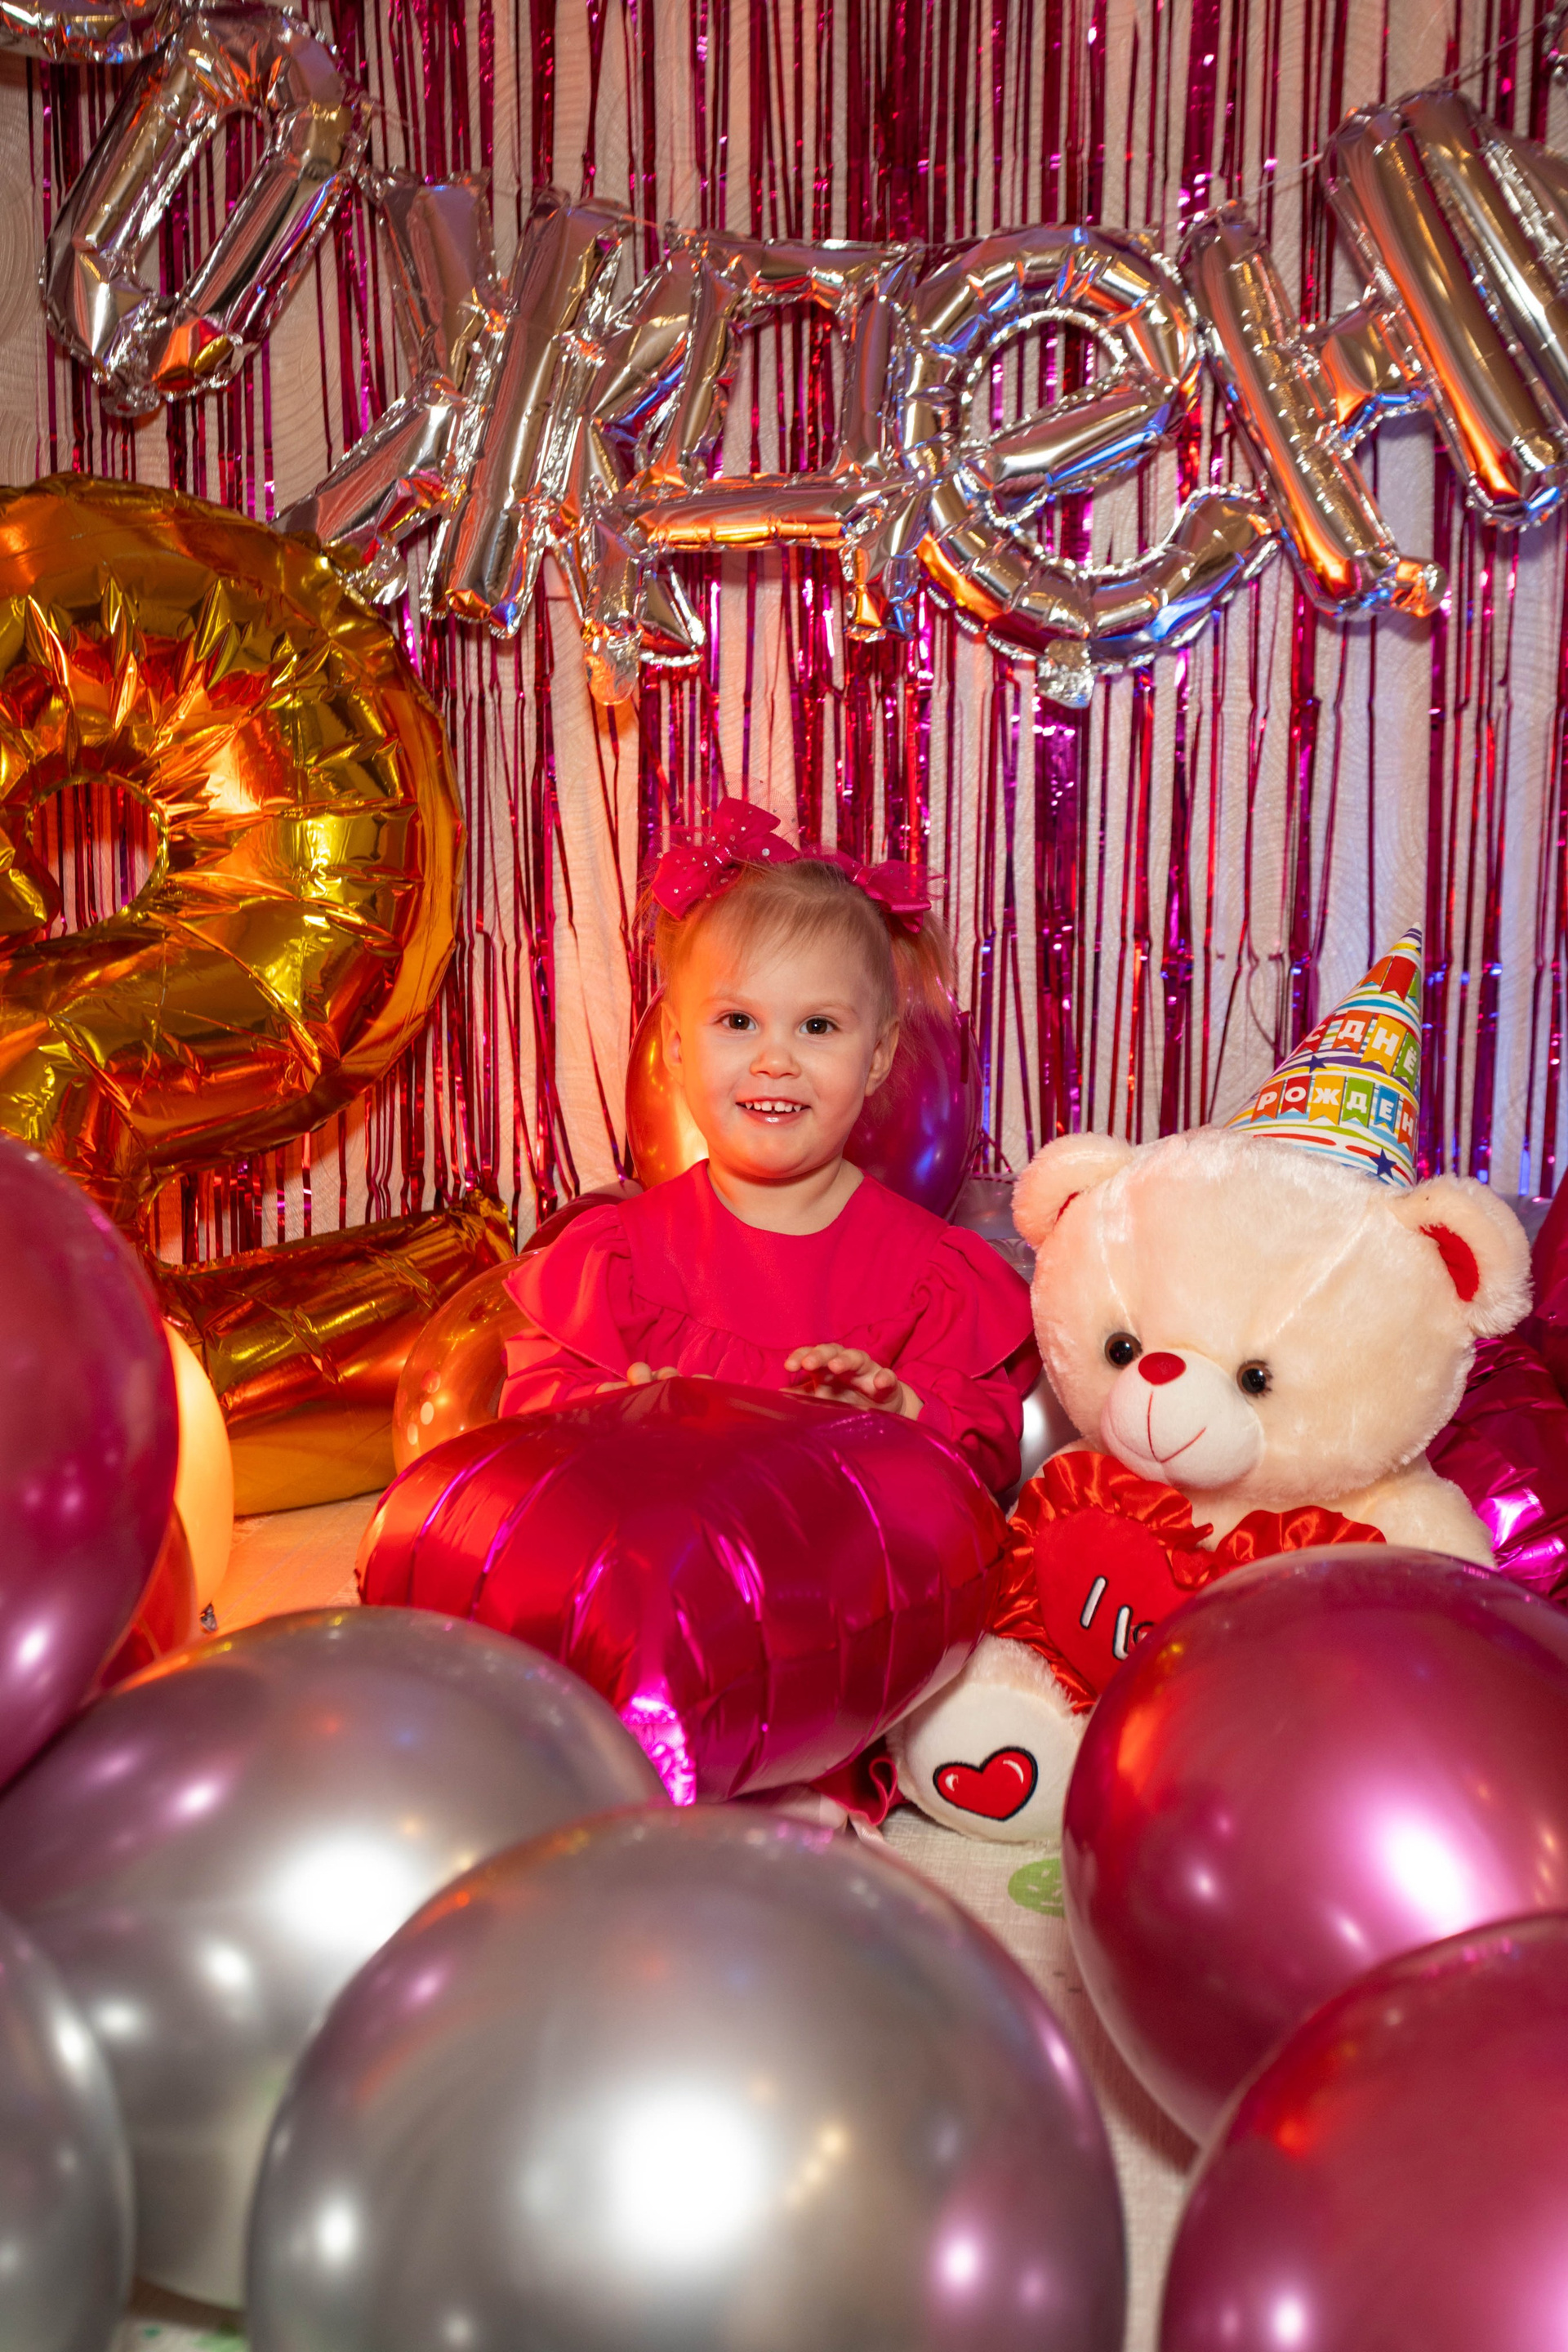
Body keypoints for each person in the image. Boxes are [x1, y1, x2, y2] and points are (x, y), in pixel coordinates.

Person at [498, 797, 1040, 1493]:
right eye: (738, 1021)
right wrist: (608, 1418)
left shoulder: (934, 1279)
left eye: (817, 1027)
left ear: (878, 1056)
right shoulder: (615, 1260)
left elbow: (986, 1452)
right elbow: (529, 1420)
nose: (775, 1061)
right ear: (675, 1047)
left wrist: (898, 1414)